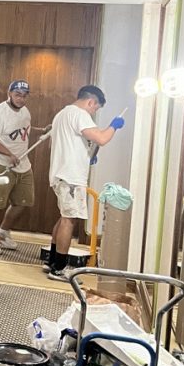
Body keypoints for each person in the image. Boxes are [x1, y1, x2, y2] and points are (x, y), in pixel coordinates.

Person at [46, 85, 125, 280]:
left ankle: (53, 261)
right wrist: (114, 125)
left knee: (64, 216)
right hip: (71, 176)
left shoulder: (62, 114)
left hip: (61, 173)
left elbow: (75, 142)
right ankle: (59, 268)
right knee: (69, 220)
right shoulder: (80, 114)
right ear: (91, 102)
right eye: (95, 108)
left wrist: (86, 155)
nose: (94, 112)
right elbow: (101, 138)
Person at [0, 80, 48, 254]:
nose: (21, 99)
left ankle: (3, 232)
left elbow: (25, 130)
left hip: (23, 165)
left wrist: (40, 131)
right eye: (18, 95)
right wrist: (9, 154)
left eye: (25, 96)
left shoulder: (25, 111)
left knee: (23, 202)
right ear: (9, 93)